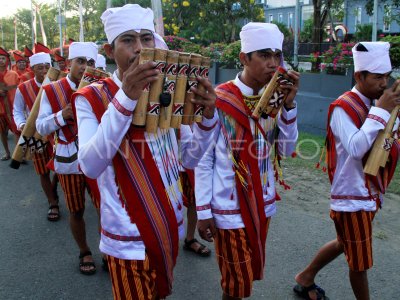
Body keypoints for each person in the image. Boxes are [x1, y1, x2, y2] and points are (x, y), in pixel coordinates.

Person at [72, 4, 218, 299]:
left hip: (170, 225)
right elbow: (89, 166)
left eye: (146, 39)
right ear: (109, 50)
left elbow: (189, 158)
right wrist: (126, 98)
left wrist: (209, 117)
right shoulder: (91, 97)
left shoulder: (172, 89)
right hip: (128, 237)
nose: (140, 49)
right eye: (128, 40)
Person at [195, 22, 299, 300]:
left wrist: (289, 106)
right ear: (244, 58)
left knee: (245, 278)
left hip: (262, 201)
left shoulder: (275, 96)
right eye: (264, 55)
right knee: (236, 285)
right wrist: (203, 210)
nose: (273, 63)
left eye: (277, 56)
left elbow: (287, 149)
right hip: (228, 206)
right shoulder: (219, 99)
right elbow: (203, 160)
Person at [293, 42, 400, 300]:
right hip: (352, 197)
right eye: (377, 77)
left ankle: (305, 277)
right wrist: (380, 112)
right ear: (359, 76)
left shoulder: (379, 103)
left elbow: (387, 143)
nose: (383, 83)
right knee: (359, 264)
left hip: (369, 193)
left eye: (387, 77)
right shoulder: (344, 106)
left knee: (345, 244)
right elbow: (355, 148)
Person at [36, 42, 101, 275]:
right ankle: (84, 250)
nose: (85, 67)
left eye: (90, 62)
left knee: (106, 208)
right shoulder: (52, 90)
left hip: (97, 158)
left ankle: (109, 249)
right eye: (80, 61)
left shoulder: (101, 87)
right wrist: (62, 115)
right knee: (76, 210)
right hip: (69, 160)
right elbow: (41, 125)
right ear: (68, 64)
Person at [13, 52, 60, 221]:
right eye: (40, 67)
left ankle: (53, 189)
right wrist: (22, 124)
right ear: (32, 69)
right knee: (42, 171)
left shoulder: (57, 84)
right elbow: (17, 110)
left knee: (59, 168)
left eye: (47, 67)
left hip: (56, 133)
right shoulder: (23, 87)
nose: (44, 70)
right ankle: (52, 203)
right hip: (35, 135)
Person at [0, 46, 19, 161]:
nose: (0, 60)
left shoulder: (13, 74)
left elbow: (18, 88)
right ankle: (7, 153)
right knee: (2, 132)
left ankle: (17, 155)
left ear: (6, 60)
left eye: (2, 58)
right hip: (0, 109)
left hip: (12, 107)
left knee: (17, 131)